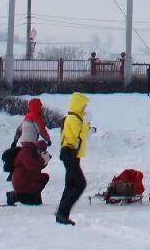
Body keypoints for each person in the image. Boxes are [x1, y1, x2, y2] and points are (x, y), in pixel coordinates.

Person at [55, 92, 92, 226]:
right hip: (70, 153)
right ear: (78, 105)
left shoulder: (72, 118)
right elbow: (81, 135)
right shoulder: (74, 119)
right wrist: (87, 123)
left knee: (70, 185)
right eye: (84, 106)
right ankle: (62, 213)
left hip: (70, 154)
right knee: (80, 184)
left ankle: (61, 213)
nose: (85, 108)